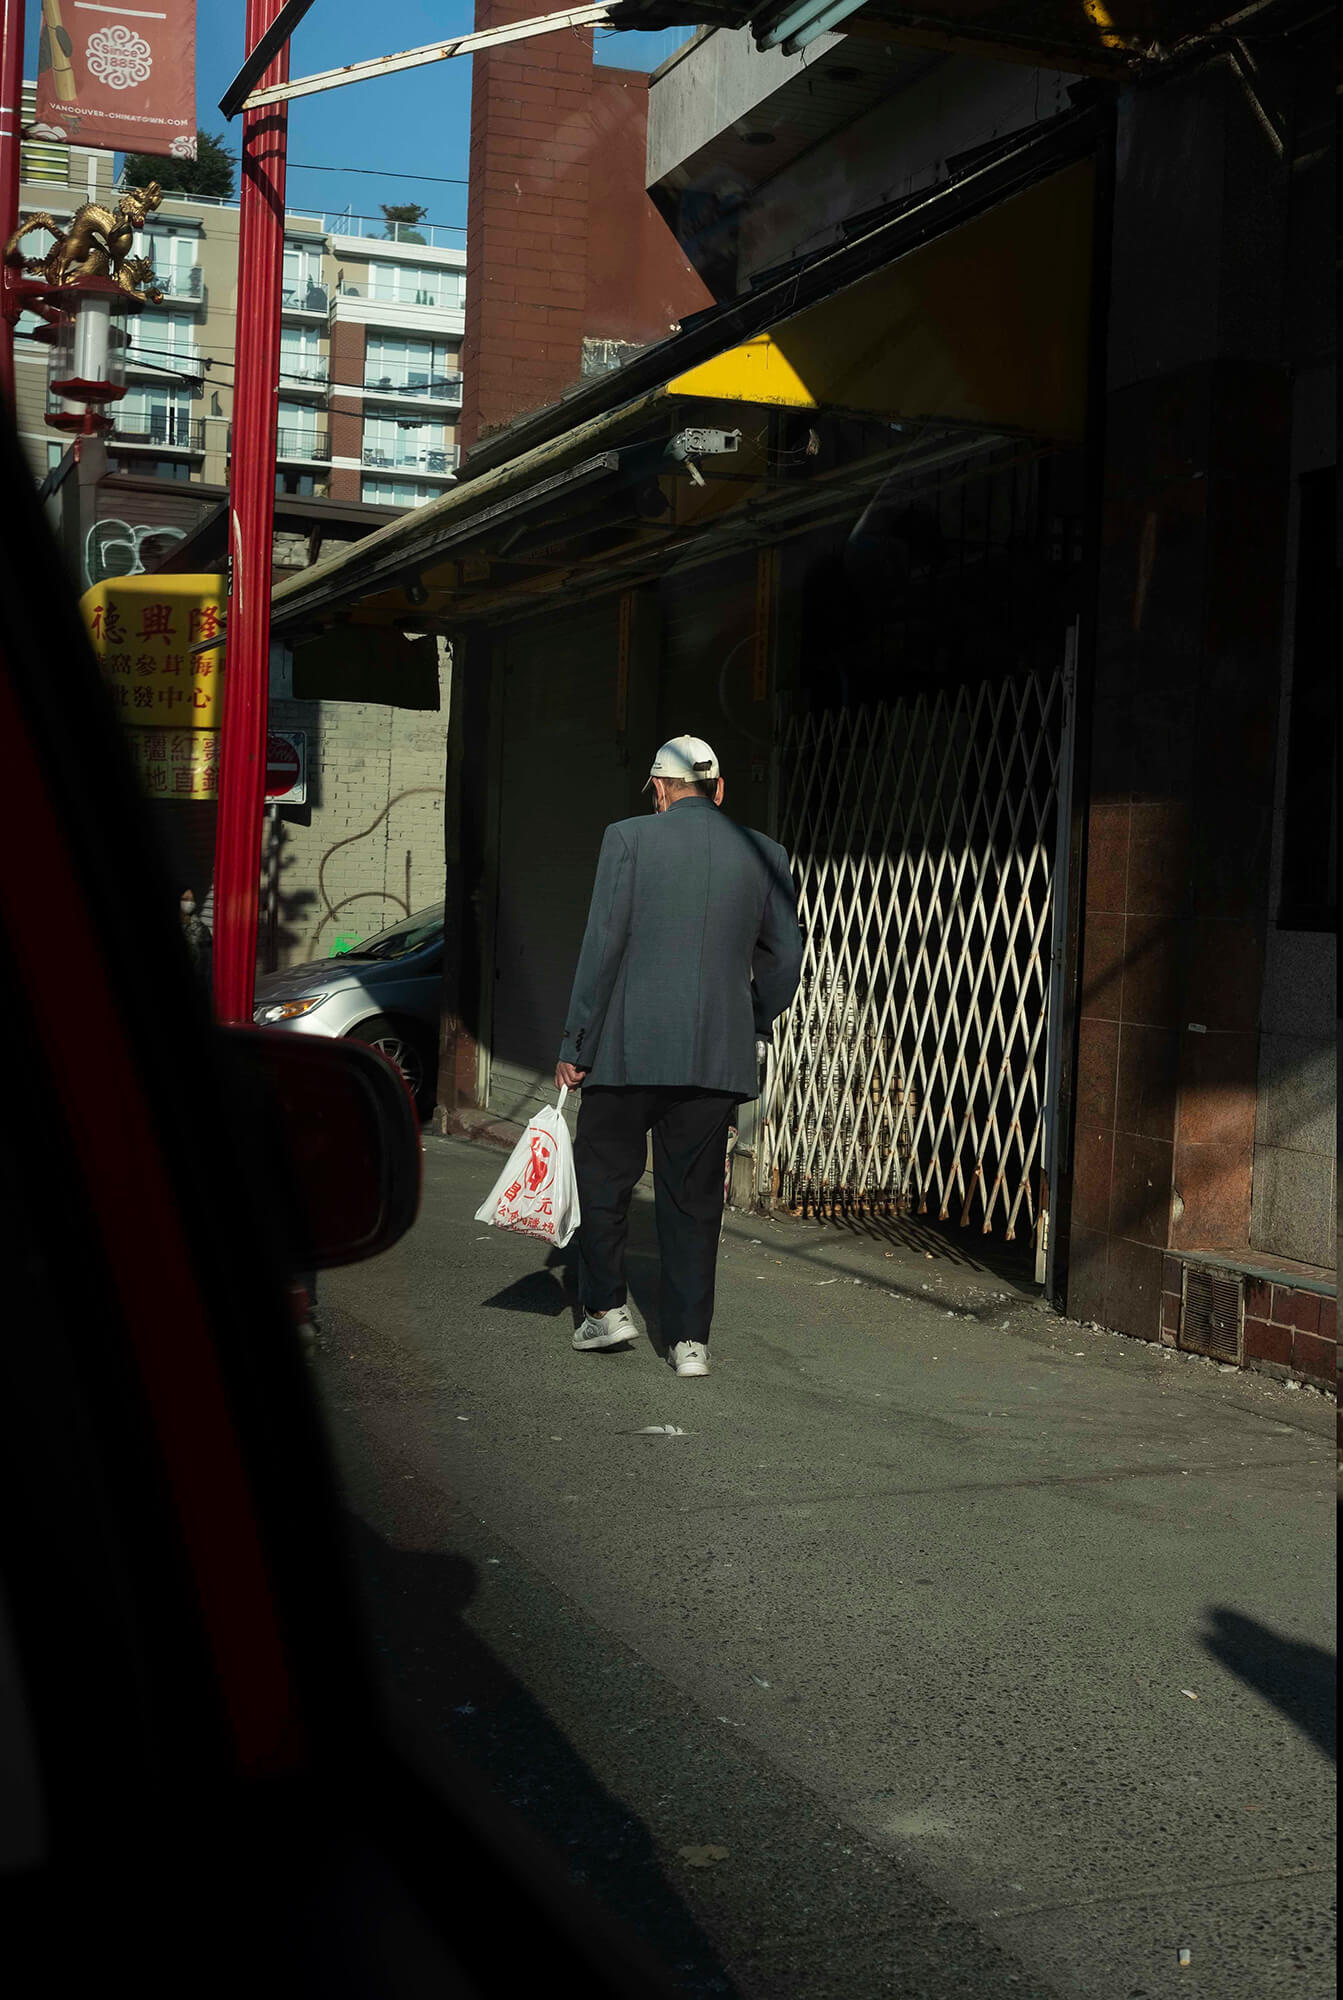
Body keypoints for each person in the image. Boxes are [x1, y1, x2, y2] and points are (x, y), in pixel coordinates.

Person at [555, 736, 802, 1378]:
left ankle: (606, 1312)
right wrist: (741, 1015)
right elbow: (784, 964)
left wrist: (576, 1045)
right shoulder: (766, 854)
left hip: (625, 1049)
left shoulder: (628, 839)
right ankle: (689, 1343)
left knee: (605, 1181)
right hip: (713, 1056)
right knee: (694, 1198)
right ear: (718, 789)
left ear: (662, 790)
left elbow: (601, 949)